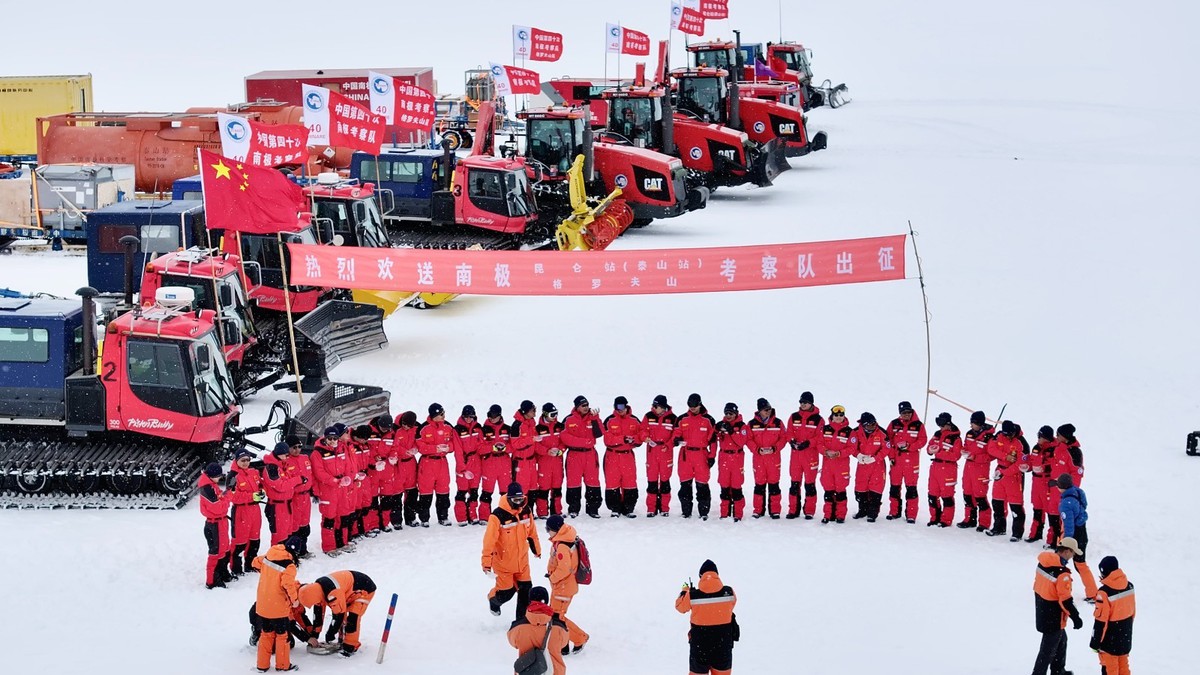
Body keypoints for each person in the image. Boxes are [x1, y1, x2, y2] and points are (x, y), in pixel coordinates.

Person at [482, 482, 542, 619]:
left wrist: (536, 550)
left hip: (522, 562)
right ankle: (493, 599)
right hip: (504, 564)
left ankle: (521, 621)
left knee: (526, 591)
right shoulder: (497, 516)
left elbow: (532, 533)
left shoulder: (526, 512)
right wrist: (486, 562)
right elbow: (489, 541)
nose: (519, 503)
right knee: (506, 593)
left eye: (521, 499)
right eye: (515, 500)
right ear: (508, 499)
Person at [1032, 537, 1084, 675]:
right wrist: (1076, 617)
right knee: (1047, 651)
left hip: (1042, 609)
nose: (1073, 556)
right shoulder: (1062, 574)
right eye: (1073, 553)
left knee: (1061, 640)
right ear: (1066, 551)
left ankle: (1058, 670)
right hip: (1053, 616)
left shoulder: (1043, 563)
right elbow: (1065, 600)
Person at [675, 559, 737, 675]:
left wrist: (685, 591)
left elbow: (680, 607)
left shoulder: (693, 596)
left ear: (701, 576)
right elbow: (731, 604)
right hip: (723, 647)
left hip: (700, 647)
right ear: (717, 575)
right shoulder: (729, 592)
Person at [298, 570, 377, 657]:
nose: (314, 604)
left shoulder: (333, 593)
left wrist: (330, 634)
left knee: (353, 618)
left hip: (364, 590)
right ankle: (341, 639)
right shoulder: (316, 590)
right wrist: (315, 634)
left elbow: (338, 616)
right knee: (342, 616)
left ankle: (350, 646)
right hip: (348, 591)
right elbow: (318, 615)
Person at [252, 537, 302, 672]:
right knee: (282, 636)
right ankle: (283, 665)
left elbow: (255, 563)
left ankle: (262, 666)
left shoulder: (270, 554)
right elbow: (287, 585)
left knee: (266, 634)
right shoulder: (289, 566)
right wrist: (295, 600)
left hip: (263, 604)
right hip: (278, 607)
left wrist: (268, 577)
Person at [545, 515, 590, 654]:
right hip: (563, 586)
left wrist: (552, 578)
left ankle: (579, 638)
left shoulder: (563, 545)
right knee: (557, 616)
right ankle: (563, 645)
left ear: (556, 529)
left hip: (563, 587)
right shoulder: (566, 539)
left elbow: (564, 568)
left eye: (548, 529)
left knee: (557, 618)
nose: (547, 532)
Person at [507, 586, 568, 675]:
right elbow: (564, 643)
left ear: (530, 601)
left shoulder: (518, 627)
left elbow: (513, 642)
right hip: (555, 672)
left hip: (529, 671)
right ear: (546, 602)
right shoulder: (559, 627)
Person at [560, 396, 604, 518]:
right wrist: (584, 442)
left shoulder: (593, 417)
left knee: (593, 482)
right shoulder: (568, 420)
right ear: (577, 407)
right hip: (574, 455)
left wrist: (595, 419)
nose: (586, 408)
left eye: (587, 405)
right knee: (573, 482)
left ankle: (593, 509)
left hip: (590, 455)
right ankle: (573, 508)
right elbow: (564, 438)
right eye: (583, 405)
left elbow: (599, 433)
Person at [311, 425, 352, 556]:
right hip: (328, 489)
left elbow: (347, 465)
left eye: (335, 438)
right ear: (325, 438)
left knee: (344, 515)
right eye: (330, 438)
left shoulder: (341, 448)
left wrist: (347, 478)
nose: (333, 441)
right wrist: (334, 481)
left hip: (342, 488)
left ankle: (342, 542)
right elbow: (319, 473)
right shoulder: (318, 453)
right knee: (329, 518)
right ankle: (329, 547)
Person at [675, 393, 717, 520]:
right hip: (685, 455)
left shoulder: (708, 420)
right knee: (685, 484)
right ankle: (686, 511)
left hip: (701, 454)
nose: (692, 407)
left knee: (702, 484)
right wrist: (676, 439)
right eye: (689, 405)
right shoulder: (682, 418)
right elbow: (677, 432)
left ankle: (703, 512)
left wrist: (712, 456)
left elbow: (714, 441)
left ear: (700, 404)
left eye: (694, 405)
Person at [416, 402, 459, 527]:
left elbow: (454, 443)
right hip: (427, 462)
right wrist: (436, 448)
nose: (444, 416)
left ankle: (443, 516)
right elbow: (420, 447)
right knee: (425, 491)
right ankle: (424, 518)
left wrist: (447, 448)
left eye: (444, 413)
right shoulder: (423, 428)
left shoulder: (448, 427)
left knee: (443, 490)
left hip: (442, 463)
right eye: (441, 414)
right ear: (434, 415)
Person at [1057, 473, 1098, 600]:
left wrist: (1065, 544)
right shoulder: (1078, 492)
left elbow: (1069, 526)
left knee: (1060, 563)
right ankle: (1092, 592)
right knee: (1080, 564)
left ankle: (1057, 590)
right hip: (1082, 533)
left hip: (1073, 536)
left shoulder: (1065, 504)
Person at [1091, 556, 1135, 675]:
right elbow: (1132, 612)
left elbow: (1101, 621)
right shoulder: (1130, 586)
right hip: (1125, 636)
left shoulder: (1104, 593)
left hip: (1109, 641)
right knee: (1124, 667)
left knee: (1110, 670)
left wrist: (1095, 642)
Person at [885, 401, 927, 523]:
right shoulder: (894, 424)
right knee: (894, 487)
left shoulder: (919, 425)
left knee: (911, 488)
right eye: (904, 413)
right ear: (900, 413)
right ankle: (894, 512)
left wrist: (910, 446)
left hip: (911, 461)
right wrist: (891, 457)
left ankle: (911, 514)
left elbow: (923, 440)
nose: (906, 415)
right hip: (896, 461)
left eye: (908, 412)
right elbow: (888, 441)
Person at [745, 398, 787, 519]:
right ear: (759, 411)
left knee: (774, 485)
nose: (767, 412)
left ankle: (775, 510)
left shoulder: (778, 423)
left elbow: (783, 438)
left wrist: (775, 448)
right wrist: (757, 449)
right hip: (759, 459)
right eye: (765, 410)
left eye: (769, 409)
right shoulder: (752, 424)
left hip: (774, 459)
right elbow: (748, 439)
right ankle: (758, 510)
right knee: (759, 485)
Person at [601, 396, 643, 517]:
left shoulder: (635, 420)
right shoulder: (609, 420)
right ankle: (615, 508)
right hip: (612, 455)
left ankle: (629, 508)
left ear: (626, 406)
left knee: (629, 482)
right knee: (612, 482)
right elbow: (607, 440)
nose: (620, 410)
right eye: (617, 407)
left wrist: (633, 440)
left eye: (622, 407)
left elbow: (640, 437)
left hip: (627, 456)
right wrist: (623, 439)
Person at [986, 420, 1028, 540]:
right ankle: (999, 528)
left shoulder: (1020, 442)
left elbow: (1020, 462)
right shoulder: (999, 437)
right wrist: (1005, 456)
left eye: (1011, 434)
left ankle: (1017, 533)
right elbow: (991, 449)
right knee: (997, 502)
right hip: (1000, 472)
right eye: (1007, 434)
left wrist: (1005, 472)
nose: (1009, 436)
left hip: (1013, 476)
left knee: (1016, 505)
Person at [785, 391, 823, 520]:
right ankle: (793, 510)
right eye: (801, 402)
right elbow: (788, 431)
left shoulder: (818, 419)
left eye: (805, 402)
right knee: (794, 484)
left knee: (810, 484)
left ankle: (809, 511)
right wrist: (791, 441)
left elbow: (820, 438)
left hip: (810, 456)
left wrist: (808, 443)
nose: (803, 405)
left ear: (811, 403)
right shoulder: (794, 416)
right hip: (796, 456)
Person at [228, 448, 266, 575]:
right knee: (240, 542)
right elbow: (232, 495)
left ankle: (250, 565)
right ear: (236, 460)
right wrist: (252, 496)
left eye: (248, 460)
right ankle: (236, 569)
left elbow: (260, 484)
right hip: (241, 511)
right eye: (242, 460)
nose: (245, 463)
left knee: (255, 540)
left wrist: (262, 491)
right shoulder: (233, 476)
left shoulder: (253, 472)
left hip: (255, 510)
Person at [959, 411, 995, 531]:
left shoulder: (990, 437)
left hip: (981, 469)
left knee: (980, 496)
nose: (971, 425)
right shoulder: (969, 434)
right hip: (968, 468)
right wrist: (964, 450)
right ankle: (969, 519)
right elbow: (966, 446)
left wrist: (976, 457)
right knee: (967, 494)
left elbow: (991, 455)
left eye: (973, 423)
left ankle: (984, 523)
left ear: (979, 423)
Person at [642, 395, 678, 517]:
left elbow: (676, 435)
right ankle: (651, 509)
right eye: (653, 406)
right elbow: (642, 429)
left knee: (665, 481)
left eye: (655, 406)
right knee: (652, 481)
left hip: (665, 452)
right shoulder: (648, 416)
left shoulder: (673, 418)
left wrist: (668, 445)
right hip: (652, 452)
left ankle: (664, 509)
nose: (653, 408)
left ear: (662, 407)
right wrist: (644, 437)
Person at [849, 412, 889, 522]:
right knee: (860, 488)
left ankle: (873, 513)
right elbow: (851, 447)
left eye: (873, 424)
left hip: (877, 465)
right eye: (869, 425)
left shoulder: (882, 433)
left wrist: (875, 458)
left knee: (876, 489)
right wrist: (858, 455)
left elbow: (886, 448)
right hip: (862, 464)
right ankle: (862, 510)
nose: (872, 427)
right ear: (863, 424)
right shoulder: (855, 432)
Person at [199, 462, 232, 589]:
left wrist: (226, 496)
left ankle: (222, 573)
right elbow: (218, 507)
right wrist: (227, 497)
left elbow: (220, 501)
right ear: (212, 475)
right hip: (214, 524)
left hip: (220, 522)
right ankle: (212, 580)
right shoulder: (207, 488)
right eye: (218, 476)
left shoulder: (211, 485)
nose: (219, 479)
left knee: (224, 549)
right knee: (216, 552)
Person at [925, 413, 961, 527]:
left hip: (948, 468)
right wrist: (930, 450)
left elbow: (956, 456)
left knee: (947, 496)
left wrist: (939, 453)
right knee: (932, 494)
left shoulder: (956, 438)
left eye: (942, 425)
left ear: (948, 424)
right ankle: (935, 517)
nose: (940, 427)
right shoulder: (937, 434)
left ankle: (946, 520)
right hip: (935, 467)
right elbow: (929, 446)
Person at [818, 405, 853, 524]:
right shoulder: (825, 429)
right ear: (832, 416)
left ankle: (840, 515)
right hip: (828, 466)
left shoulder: (849, 431)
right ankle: (828, 515)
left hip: (841, 466)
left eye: (841, 415)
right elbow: (819, 444)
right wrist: (825, 451)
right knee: (828, 490)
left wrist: (839, 453)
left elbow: (852, 448)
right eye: (836, 415)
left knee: (840, 491)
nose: (838, 417)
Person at [714, 402, 747, 521]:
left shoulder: (742, 426)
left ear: (736, 414)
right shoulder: (722, 425)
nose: (728, 415)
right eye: (726, 413)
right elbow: (713, 436)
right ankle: (724, 513)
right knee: (724, 486)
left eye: (731, 413)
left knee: (736, 486)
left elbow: (742, 442)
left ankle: (738, 514)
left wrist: (732, 431)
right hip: (724, 457)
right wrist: (716, 429)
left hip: (737, 458)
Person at [480, 404, 514, 520]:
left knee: (505, 492)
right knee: (486, 492)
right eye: (489, 415)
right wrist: (491, 448)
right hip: (489, 463)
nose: (491, 418)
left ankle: (506, 514)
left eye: (494, 416)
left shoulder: (507, 429)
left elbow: (513, 446)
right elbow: (479, 448)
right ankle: (484, 517)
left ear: (500, 416)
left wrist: (505, 448)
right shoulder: (483, 430)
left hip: (504, 462)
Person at [282, 435, 314, 556]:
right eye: (294, 447)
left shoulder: (305, 458)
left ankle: (303, 550)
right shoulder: (285, 461)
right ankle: (292, 552)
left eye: (299, 446)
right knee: (294, 526)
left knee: (305, 525)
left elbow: (312, 475)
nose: (297, 450)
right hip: (294, 498)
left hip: (306, 497)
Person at [263, 442, 300, 546]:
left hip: (286, 505)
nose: (287, 457)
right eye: (285, 455)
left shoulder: (283, 465)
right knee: (279, 536)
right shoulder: (272, 468)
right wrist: (298, 480)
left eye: (288, 455)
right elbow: (280, 486)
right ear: (278, 454)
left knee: (287, 534)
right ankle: (276, 558)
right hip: (276, 506)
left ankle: (284, 557)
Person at [1024, 426, 1056, 543]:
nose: (1038, 439)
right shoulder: (1036, 448)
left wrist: (1043, 468)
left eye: (1040, 436)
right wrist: (1027, 466)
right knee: (1037, 508)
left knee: (1051, 511)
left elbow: (1055, 465)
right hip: (1036, 481)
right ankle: (1035, 534)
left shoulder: (1054, 449)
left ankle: (1052, 538)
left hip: (1047, 482)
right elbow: (1032, 461)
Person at [454, 405, 485, 525]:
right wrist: (462, 468)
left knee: (474, 490)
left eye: (470, 417)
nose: (468, 419)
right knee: (462, 491)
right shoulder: (457, 429)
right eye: (466, 417)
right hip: (464, 461)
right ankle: (461, 517)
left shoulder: (478, 428)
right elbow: (457, 450)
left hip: (476, 461)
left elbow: (481, 444)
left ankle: (472, 514)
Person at [511, 401, 542, 515]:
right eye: (532, 410)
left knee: (533, 487)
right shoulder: (517, 425)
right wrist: (531, 439)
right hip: (520, 462)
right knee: (521, 489)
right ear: (525, 412)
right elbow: (515, 444)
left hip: (531, 460)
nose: (535, 412)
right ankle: (520, 512)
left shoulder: (532, 423)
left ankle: (530, 511)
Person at [535, 403, 565, 517]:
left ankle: (557, 511)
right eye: (552, 414)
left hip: (557, 461)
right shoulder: (537, 429)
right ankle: (542, 512)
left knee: (557, 487)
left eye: (556, 413)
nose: (554, 416)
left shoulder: (559, 426)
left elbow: (564, 441)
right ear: (545, 414)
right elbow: (535, 445)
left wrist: (561, 450)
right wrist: (546, 451)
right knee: (543, 487)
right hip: (544, 462)